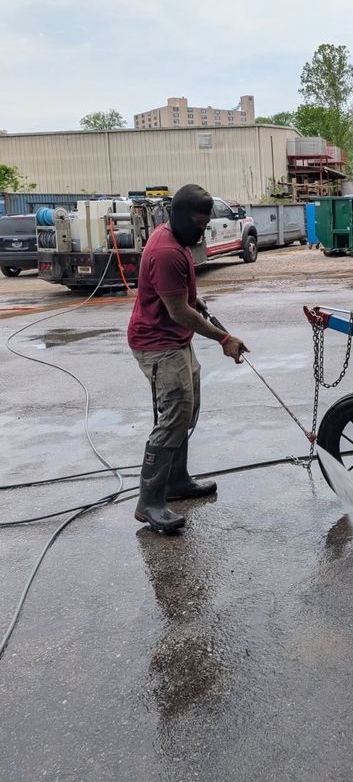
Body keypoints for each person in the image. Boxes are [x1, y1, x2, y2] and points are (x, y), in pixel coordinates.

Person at [127, 183, 248, 534]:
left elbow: (185, 302)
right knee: (174, 416)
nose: (201, 228)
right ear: (177, 216)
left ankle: (176, 481)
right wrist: (223, 338)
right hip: (157, 343)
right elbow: (179, 312)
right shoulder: (166, 251)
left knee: (187, 410)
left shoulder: (177, 242)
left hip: (175, 340)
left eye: (205, 223)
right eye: (198, 222)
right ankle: (148, 502)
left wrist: (202, 308)